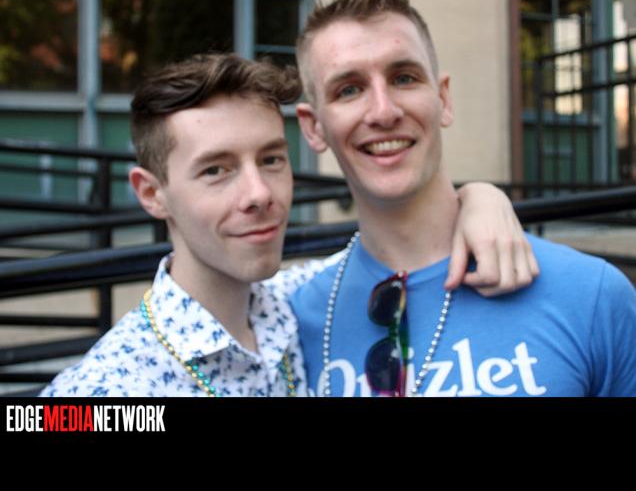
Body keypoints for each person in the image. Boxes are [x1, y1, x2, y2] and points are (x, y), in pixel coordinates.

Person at [40, 51, 537, 398]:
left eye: (271, 159)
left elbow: (398, 240)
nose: (259, 194)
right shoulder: (107, 391)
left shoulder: (297, 301)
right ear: (152, 194)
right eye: (216, 170)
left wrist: (480, 198)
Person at [289, 0, 636, 397]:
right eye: (349, 89)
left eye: (403, 78)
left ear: (444, 98)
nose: (383, 111)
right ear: (314, 127)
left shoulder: (591, 295)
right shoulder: (291, 321)